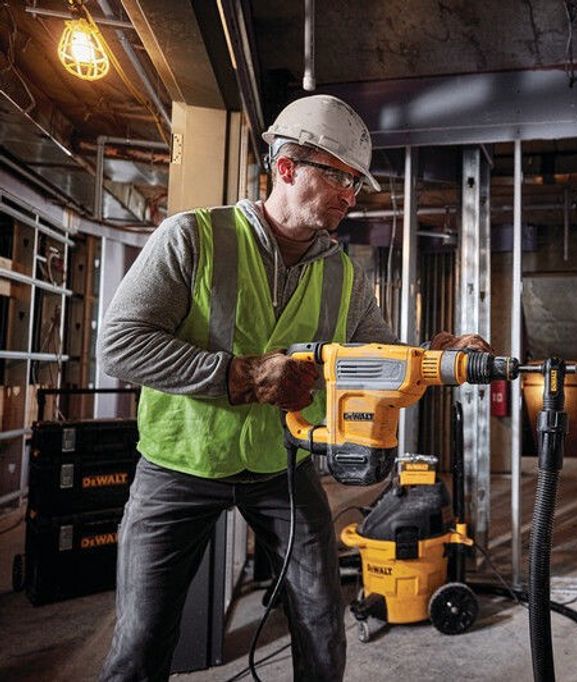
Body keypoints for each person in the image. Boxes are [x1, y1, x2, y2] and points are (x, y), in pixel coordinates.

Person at [98, 94, 491, 680]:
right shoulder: (193, 238)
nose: (351, 196)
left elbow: (379, 359)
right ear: (286, 167)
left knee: (322, 621)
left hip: (281, 465)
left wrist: (436, 358)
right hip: (179, 465)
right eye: (339, 177)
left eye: (356, 184)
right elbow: (119, 345)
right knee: (142, 638)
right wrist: (242, 376)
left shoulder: (343, 274)